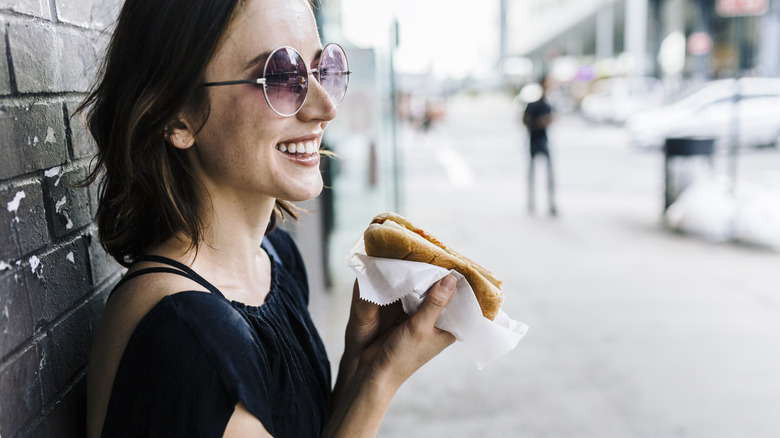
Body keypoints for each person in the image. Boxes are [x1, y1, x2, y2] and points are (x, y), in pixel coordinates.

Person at [79, 0, 457, 436]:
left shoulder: (276, 258)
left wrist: (362, 362)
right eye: (280, 76)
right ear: (176, 116)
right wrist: (381, 380)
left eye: (323, 70)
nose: (325, 107)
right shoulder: (185, 340)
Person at [522, 76, 557, 216]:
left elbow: (549, 120)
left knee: (548, 175)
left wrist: (546, 122)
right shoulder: (533, 104)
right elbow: (525, 120)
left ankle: (550, 203)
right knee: (533, 174)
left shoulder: (547, 104)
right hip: (534, 141)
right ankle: (532, 202)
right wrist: (538, 123)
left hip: (543, 141)